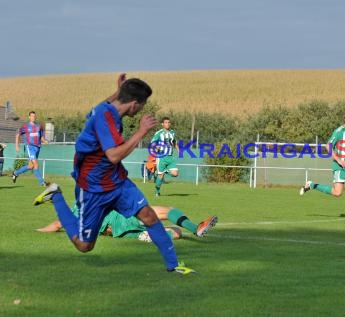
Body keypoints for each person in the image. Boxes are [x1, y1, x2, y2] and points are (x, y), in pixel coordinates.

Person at [33, 73, 195, 274]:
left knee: (149, 216)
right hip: (93, 187)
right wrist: (141, 131)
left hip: (116, 181)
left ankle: (174, 266)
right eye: (142, 106)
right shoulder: (105, 120)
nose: (142, 110)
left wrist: (119, 90)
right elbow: (114, 156)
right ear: (134, 104)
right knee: (84, 246)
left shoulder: (105, 109)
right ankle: (55, 195)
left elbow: (102, 108)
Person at [299, 110, 345, 220]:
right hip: (340, 167)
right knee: (337, 193)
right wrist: (339, 160)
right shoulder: (339, 131)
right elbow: (328, 146)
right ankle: (311, 185)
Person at [37, 205, 218, 243]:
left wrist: (38, 231)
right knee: (166, 211)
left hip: (120, 232)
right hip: (124, 218)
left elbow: (56, 224)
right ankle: (196, 228)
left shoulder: (76, 215)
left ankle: (146, 236)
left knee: (176, 231)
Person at [13, 111, 49, 186]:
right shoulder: (25, 126)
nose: (33, 117)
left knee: (30, 166)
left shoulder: (39, 126)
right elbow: (17, 135)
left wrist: (44, 141)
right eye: (31, 116)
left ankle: (15, 173)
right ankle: (42, 182)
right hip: (30, 147)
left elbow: (41, 136)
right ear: (29, 117)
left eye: (34, 116)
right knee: (36, 164)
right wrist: (17, 145)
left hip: (38, 148)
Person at [151, 117, 179, 196]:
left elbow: (174, 142)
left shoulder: (172, 132)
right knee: (160, 176)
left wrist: (178, 149)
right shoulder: (159, 133)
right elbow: (153, 143)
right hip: (161, 157)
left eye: (169, 122)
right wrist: (156, 147)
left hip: (170, 157)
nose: (168, 124)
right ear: (162, 124)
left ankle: (166, 171)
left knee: (175, 174)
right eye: (166, 122)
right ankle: (157, 190)